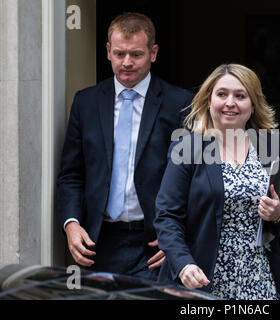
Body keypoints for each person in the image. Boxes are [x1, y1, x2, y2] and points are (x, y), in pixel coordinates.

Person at [57, 12, 193, 280]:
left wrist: (177, 238)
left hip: (155, 245)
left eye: (136, 54)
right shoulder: (86, 103)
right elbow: (71, 174)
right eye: (119, 54)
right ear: (108, 51)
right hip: (97, 243)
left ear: (153, 53)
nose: (127, 63)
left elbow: (192, 179)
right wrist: (71, 224)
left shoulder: (180, 104)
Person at [153, 64, 280, 299]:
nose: (230, 102)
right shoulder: (187, 147)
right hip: (202, 281)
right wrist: (183, 265)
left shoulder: (270, 144)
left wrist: (278, 214)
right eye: (221, 94)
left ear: (253, 104)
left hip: (259, 281)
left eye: (240, 96)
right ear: (209, 100)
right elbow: (167, 216)